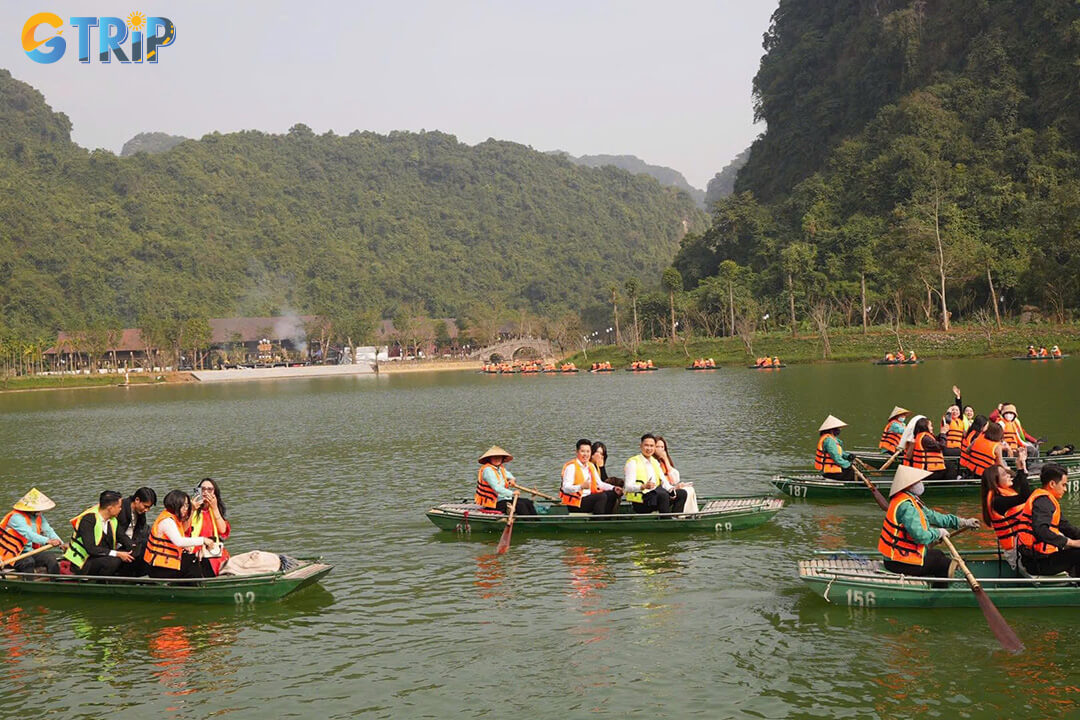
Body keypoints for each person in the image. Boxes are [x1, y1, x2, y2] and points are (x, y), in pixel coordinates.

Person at [879, 466, 979, 584]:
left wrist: (962, 522)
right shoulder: (907, 506)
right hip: (898, 562)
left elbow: (933, 516)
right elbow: (920, 536)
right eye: (918, 482)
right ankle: (939, 594)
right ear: (909, 485)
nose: (921, 484)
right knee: (942, 564)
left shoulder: (908, 499)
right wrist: (938, 533)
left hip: (897, 558)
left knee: (938, 554)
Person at [1017, 464, 1080, 576]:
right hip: (1038, 562)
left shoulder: (1047, 500)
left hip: (1041, 557)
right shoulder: (1043, 502)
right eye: (1063, 485)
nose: (1065, 489)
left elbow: (1066, 526)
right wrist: (1071, 542)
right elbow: (1041, 530)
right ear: (1052, 484)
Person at [145, 490, 217, 579]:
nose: (186, 508)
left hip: (167, 562)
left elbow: (178, 537)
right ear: (176, 505)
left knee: (202, 559)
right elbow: (179, 541)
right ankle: (197, 588)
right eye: (184, 506)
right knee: (193, 564)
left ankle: (211, 582)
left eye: (187, 505)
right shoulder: (167, 521)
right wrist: (203, 540)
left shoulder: (174, 518)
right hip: (159, 568)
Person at [981, 447, 1031, 568]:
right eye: (1004, 474)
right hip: (1017, 553)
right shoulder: (997, 502)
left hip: (1023, 546)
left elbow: (1019, 482)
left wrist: (1021, 464)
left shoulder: (1003, 492)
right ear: (995, 481)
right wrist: (1021, 469)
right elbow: (1025, 496)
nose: (1009, 475)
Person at [63, 491, 133, 576]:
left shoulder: (112, 520)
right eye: (119, 507)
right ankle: (100, 584)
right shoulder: (88, 520)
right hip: (84, 562)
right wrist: (117, 554)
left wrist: (132, 547)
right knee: (114, 560)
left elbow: (122, 537)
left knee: (135, 551)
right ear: (110, 508)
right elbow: (91, 548)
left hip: (101, 557)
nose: (121, 509)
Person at [0, 488, 63, 574]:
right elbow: (28, 534)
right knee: (28, 562)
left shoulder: (38, 516)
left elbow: (48, 530)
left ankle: (55, 583)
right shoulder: (16, 517)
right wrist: (48, 541)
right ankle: (30, 585)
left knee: (50, 558)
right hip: (12, 555)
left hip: (30, 552)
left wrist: (61, 543)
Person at [624, 434, 687, 513]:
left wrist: (672, 490)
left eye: (651, 446)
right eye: (646, 445)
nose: (649, 448)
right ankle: (666, 520)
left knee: (682, 493)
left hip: (655, 497)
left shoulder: (655, 462)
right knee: (662, 495)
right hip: (641, 501)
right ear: (640, 446)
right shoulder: (633, 462)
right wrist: (643, 486)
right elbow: (628, 487)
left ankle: (676, 518)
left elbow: (664, 482)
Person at [560, 439, 622, 515]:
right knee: (601, 497)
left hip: (588, 499)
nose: (585, 454)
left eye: (588, 451)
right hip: (576, 503)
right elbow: (566, 488)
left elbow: (600, 484)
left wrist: (613, 488)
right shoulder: (571, 467)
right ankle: (599, 521)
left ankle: (608, 518)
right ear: (577, 452)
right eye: (582, 451)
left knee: (612, 494)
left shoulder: (590, 466)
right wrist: (581, 487)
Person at [474, 446, 537, 516]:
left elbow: (509, 475)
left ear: (502, 458)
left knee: (527, 502)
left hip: (503, 499)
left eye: (499, 457)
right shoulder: (488, 470)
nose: (497, 459)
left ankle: (537, 521)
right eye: (494, 457)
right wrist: (512, 493)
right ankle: (529, 525)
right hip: (492, 503)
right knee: (521, 505)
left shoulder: (500, 468)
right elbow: (496, 488)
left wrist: (512, 479)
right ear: (489, 459)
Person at [190, 478, 231, 576]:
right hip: (195, 549)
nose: (205, 492)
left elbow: (223, 530)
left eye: (209, 490)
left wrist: (215, 508)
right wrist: (192, 509)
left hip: (214, 549)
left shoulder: (215, 509)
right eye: (203, 489)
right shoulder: (190, 508)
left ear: (214, 493)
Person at [655, 436, 699, 513]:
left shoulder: (664, 462)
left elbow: (675, 479)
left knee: (690, 489)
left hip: (669, 488)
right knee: (684, 492)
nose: (660, 449)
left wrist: (666, 460)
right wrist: (674, 487)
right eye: (657, 447)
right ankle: (680, 515)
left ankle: (690, 513)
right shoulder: (653, 463)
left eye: (662, 447)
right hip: (661, 491)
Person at [116, 487, 156, 556]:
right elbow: (117, 532)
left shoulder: (140, 512)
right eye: (145, 506)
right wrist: (131, 544)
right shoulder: (120, 509)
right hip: (120, 545)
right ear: (137, 500)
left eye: (149, 507)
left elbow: (140, 530)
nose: (147, 510)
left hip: (132, 543)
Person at [814, 415, 854, 481]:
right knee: (854, 474)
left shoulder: (832, 439)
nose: (840, 430)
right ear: (832, 429)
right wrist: (848, 464)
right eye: (838, 428)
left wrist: (848, 456)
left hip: (832, 470)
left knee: (853, 472)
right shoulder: (829, 440)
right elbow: (836, 457)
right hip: (830, 472)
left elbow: (840, 452)